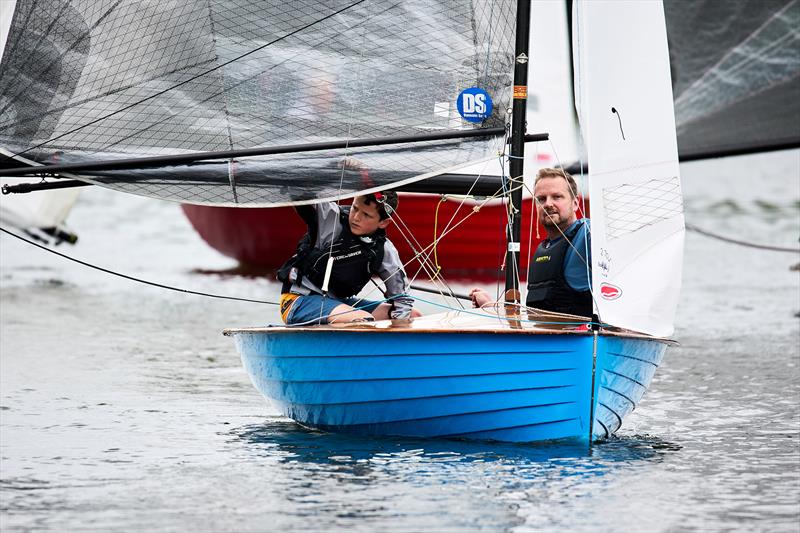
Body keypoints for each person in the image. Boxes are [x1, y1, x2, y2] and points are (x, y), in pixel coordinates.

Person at [277, 191, 420, 325]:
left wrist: (399, 326)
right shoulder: (332, 219)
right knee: (362, 319)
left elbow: (402, 299)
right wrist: (339, 165)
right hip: (299, 301)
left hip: (340, 303)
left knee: (413, 315)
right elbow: (301, 191)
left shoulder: (384, 250)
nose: (356, 217)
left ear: (383, 222)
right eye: (355, 208)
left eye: (366, 215)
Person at [470, 167, 592, 317]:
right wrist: (491, 307)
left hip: (584, 338)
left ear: (575, 203)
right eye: (541, 199)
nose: (548, 204)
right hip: (545, 338)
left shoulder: (588, 234)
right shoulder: (544, 249)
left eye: (557, 197)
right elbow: (537, 316)